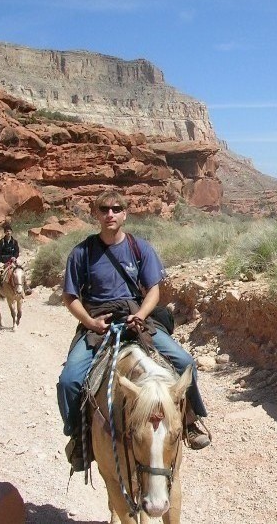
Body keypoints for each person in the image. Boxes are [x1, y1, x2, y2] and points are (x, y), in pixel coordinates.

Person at [57, 190, 210, 472]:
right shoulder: (81, 253)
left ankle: (189, 420)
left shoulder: (140, 249)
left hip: (135, 318)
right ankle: (78, 438)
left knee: (185, 362)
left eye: (116, 209)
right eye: (104, 209)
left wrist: (140, 314)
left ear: (125, 213)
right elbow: (70, 297)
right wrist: (90, 323)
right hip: (98, 322)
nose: (110, 214)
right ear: (96, 214)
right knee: (69, 381)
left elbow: (153, 290)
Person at [0, 224, 20, 297]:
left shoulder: (14, 242)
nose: (8, 233)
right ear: (5, 232)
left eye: (10, 231)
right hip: (2, 262)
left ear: (12, 232)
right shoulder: (1, 242)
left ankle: (25, 287)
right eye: (7, 231)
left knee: (20, 272)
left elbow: (17, 251)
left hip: (12, 261)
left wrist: (15, 257)